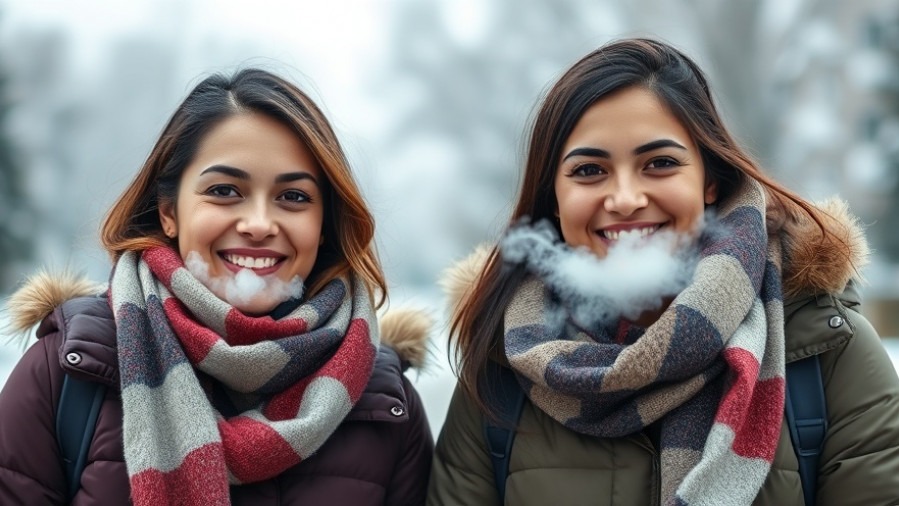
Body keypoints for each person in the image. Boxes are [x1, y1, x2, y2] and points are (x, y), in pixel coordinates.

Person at [427, 38, 899, 505]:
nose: (626, 199)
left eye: (660, 163)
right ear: (554, 197)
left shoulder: (826, 347)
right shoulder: (499, 367)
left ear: (709, 180)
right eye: (589, 171)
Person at [0, 67, 433, 505]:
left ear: (324, 225)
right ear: (169, 211)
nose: (260, 224)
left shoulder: (386, 404)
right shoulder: (66, 374)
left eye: (294, 197)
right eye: (225, 190)